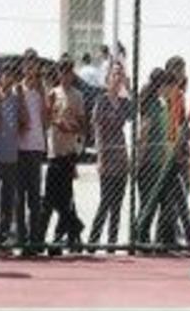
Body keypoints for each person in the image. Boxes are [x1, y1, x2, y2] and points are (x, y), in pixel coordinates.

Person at [40, 56, 86, 254]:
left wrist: (69, 127)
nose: (65, 76)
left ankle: (62, 236)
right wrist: (49, 107)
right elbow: (46, 120)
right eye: (62, 71)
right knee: (54, 197)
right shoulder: (53, 93)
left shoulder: (77, 96)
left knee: (63, 197)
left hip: (67, 152)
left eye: (68, 71)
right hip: (54, 150)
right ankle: (73, 227)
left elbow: (83, 126)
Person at [0, 61, 28, 245]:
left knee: (8, 198)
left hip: (11, 157)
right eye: (5, 74)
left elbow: (25, 122)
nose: (8, 78)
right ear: (0, 77)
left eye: (11, 74)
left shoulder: (17, 100)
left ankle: (3, 234)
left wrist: (22, 98)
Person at [89, 61, 130, 248]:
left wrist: (128, 89)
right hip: (107, 155)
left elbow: (135, 113)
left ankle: (112, 244)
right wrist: (100, 158)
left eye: (120, 75)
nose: (117, 78)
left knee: (117, 206)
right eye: (114, 74)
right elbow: (97, 130)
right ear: (107, 79)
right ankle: (93, 241)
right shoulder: (102, 101)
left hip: (121, 155)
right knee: (105, 201)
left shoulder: (123, 102)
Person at [16, 49, 50, 254]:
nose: (31, 69)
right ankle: (21, 238)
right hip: (20, 148)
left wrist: (43, 92)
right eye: (27, 65)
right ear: (23, 67)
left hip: (36, 146)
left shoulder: (41, 91)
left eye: (34, 65)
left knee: (35, 196)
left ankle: (35, 240)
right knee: (20, 196)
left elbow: (46, 122)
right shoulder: (18, 89)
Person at [158, 56, 190, 246]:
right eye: (179, 70)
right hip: (173, 150)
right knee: (178, 193)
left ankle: (176, 230)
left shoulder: (177, 95)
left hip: (177, 149)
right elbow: (178, 124)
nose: (182, 74)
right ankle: (181, 232)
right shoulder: (173, 95)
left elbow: (182, 123)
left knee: (179, 192)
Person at [136, 68, 168, 244]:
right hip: (148, 162)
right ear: (160, 85)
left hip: (157, 161)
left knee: (152, 202)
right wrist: (140, 161)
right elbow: (144, 133)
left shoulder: (159, 103)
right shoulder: (151, 104)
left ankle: (143, 236)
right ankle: (141, 237)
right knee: (147, 202)